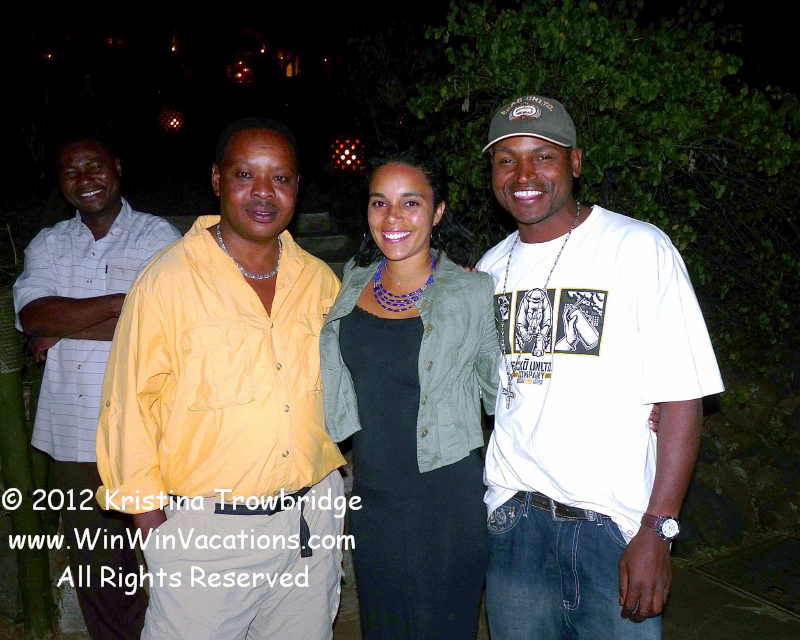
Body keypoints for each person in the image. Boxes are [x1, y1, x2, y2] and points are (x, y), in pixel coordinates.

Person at [477, 95, 724, 639]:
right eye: (507, 159)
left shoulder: (637, 248)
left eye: (543, 156)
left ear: (575, 162)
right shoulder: (489, 270)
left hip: (615, 530)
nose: (524, 175)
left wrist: (657, 529)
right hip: (515, 525)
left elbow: (682, 397)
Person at [95, 117, 347, 639]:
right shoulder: (167, 281)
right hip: (207, 538)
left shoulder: (319, 281)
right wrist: (158, 537)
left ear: (298, 187)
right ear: (217, 179)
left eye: (280, 178)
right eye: (244, 175)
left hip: (311, 526)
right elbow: (128, 412)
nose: (263, 192)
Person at [320, 148, 499, 639]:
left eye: (411, 202)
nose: (392, 217)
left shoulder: (472, 292)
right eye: (380, 202)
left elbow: (506, 392)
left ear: (438, 211)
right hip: (372, 498)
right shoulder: (351, 280)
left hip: (446, 499)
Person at [12, 136, 181, 640]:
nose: (84, 179)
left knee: (175, 560)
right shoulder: (48, 243)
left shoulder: (157, 235)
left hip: (152, 430)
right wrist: (120, 304)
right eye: (70, 172)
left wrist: (63, 326)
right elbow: (32, 315)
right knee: (99, 570)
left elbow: (167, 323)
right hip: (75, 434)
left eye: (94, 166)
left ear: (117, 167)